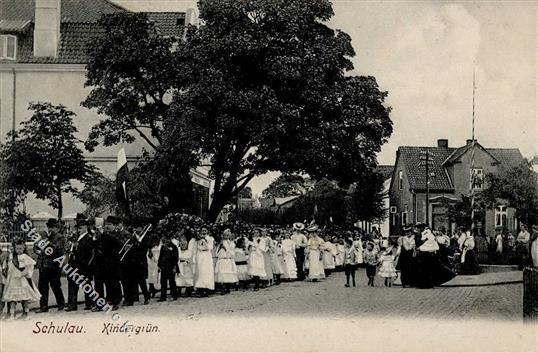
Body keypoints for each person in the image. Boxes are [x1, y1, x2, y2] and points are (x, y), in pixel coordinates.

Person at [3, 240, 40, 320]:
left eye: (20, 249)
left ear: (23, 248)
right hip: (13, 280)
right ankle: (12, 314)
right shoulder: (12, 257)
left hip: (22, 280)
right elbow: (10, 267)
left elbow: (28, 267)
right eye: (17, 248)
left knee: (25, 298)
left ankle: (26, 314)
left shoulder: (25, 257)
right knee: (12, 298)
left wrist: (21, 274)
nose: (18, 250)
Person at [65, 214, 95, 311]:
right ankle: (72, 305)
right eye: (78, 228)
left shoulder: (88, 238)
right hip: (74, 264)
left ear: (86, 227)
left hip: (83, 265)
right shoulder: (76, 238)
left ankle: (89, 303)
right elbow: (72, 250)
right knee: (72, 284)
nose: (79, 230)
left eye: (81, 228)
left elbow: (89, 253)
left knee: (86, 284)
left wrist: (85, 263)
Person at [92, 216, 123, 311]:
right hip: (102, 263)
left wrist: (104, 234)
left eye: (110, 224)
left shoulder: (117, 234)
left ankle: (116, 301)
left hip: (113, 262)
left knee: (113, 283)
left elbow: (119, 243)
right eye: (107, 224)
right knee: (100, 283)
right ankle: (100, 303)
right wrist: (96, 238)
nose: (108, 226)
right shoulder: (103, 234)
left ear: (115, 225)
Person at [36, 218, 65, 313]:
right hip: (43, 265)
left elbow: (57, 249)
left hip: (54, 266)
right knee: (42, 286)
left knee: (55, 285)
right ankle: (43, 306)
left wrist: (46, 243)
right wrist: (38, 248)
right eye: (49, 227)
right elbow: (36, 247)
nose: (50, 229)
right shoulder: (45, 236)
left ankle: (61, 304)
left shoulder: (60, 237)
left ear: (57, 228)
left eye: (52, 228)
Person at [215, 229, 238, 294]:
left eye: (228, 235)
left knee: (229, 273)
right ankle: (223, 288)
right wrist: (221, 247)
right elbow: (217, 252)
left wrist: (227, 249)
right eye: (225, 235)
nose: (227, 236)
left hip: (229, 259)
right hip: (223, 259)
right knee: (222, 274)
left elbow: (233, 252)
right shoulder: (221, 242)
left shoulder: (232, 243)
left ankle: (228, 288)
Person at [194, 226, 215, 296]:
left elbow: (210, 247)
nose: (203, 232)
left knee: (206, 271)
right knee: (200, 271)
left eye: (205, 231)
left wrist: (205, 241)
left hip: (207, 255)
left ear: (207, 231)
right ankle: (200, 288)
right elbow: (197, 247)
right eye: (202, 231)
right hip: (200, 254)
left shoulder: (210, 238)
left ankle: (207, 288)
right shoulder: (198, 239)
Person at [157, 236, 178, 302]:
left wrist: (174, 267)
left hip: (171, 266)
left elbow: (176, 257)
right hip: (164, 267)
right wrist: (159, 265)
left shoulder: (174, 247)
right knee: (163, 282)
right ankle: (163, 297)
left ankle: (174, 295)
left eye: (167, 239)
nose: (166, 241)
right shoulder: (163, 247)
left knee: (172, 282)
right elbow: (160, 256)